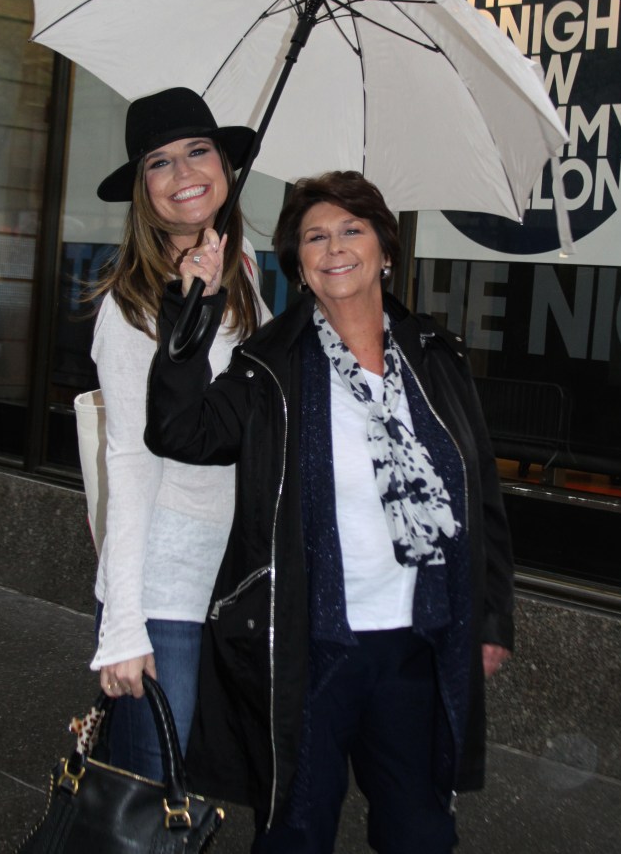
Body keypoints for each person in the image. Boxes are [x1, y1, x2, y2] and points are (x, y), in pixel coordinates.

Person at [145, 171, 514, 853]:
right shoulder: (270, 366)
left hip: (417, 639)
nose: (334, 246)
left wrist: (489, 616)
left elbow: (479, 495)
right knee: (295, 831)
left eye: (351, 229)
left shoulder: (435, 357)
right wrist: (189, 309)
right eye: (315, 236)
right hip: (308, 646)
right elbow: (181, 432)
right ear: (299, 265)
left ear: (384, 251)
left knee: (421, 831)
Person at [88, 86, 269, 780]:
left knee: (189, 780)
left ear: (224, 166)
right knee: (148, 792)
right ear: (142, 191)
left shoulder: (241, 272)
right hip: (164, 586)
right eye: (158, 163)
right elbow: (128, 466)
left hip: (227, 579)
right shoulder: (132, 307)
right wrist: (124, 624)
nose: (183, 174)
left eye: (197, 151)